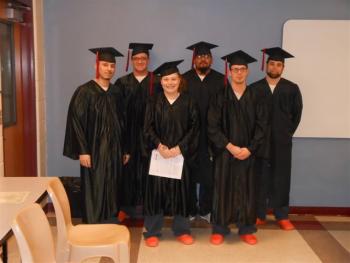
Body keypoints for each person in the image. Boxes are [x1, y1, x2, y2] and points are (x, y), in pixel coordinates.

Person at [207, 50, 267, 245]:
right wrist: (230, 146)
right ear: (229, 72)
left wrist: (250, 149)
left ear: (247, 72)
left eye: (242, 69)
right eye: (235, 69)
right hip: (225, 153)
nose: (239, 73)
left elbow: (262, 126)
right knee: (222, 189)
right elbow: (212, 126)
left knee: (248, 190)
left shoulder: (256, 96)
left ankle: (246, 228)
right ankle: (220, 228)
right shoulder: (219, 96)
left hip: (248, 154)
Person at [63, 47, 129, 224]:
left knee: (113, 184)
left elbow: (124, 122)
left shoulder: (116, 92)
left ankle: (110, 219)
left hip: (114, 148)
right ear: (96, 65)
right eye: (105, 64)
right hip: (93, 148)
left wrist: (125, 149)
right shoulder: (84, 91)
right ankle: (92, 222)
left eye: (112, 66)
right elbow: (76, 122)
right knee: (94, 186)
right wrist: (83, 151)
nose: (109, 69)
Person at [143, 60, 200, 247]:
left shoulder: (189, 100)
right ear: (161, 82)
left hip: (180, 156)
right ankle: (152, 231)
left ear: (179, 80)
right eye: (166, 79)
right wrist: (159, 145)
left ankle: (182, 230)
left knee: (181, 192)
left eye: (173, 79)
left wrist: (180, 148)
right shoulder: (153, 101)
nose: (169, 82)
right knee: (155, 193)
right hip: (159, 155)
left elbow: (194, 128)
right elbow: (147, 127)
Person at [251, 47, 303, 230]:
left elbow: (297, 114)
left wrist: (286, 132)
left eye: (278, 64)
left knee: (282, 177)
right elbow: (249, 117)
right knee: (259, 177)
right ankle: (259, 213)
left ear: (283, 68)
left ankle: (282, 215)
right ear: (266, 65)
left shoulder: (291, 88)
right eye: (271, 64)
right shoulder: (255, 88)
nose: (274, 67)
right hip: (260, 142)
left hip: (282, 142)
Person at [114, 43, 161, 221]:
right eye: (137, 58)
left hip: (151, 136)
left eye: (143, 58)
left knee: (151, 173)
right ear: (131, 60)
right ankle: (125, 208)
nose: (140, 61)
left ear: (148, 60)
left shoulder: (157, 81)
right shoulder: (122, 83)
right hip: (129, 136)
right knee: (128, 173)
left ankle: (151, 209)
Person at [183, 41, 225, 222]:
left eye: (206, 56)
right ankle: (191, 209)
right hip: (189, 136)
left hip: (211, 137)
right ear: (194, 59)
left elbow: (225, 109)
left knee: (209, 175)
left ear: (211, 59)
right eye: (199, 57)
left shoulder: (221, 80)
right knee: (189, 174)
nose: (202, 60)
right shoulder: (184, 79)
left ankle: (206, 209)